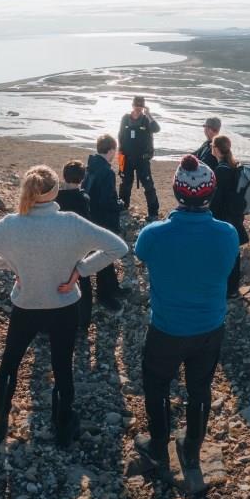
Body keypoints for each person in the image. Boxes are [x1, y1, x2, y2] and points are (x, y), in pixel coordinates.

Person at [0, 165, 129, 447]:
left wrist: (10, 265)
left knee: (10, 363)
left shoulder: (11, 224)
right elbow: (118, 247)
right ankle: (63, 427)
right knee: (62, 367)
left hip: (26, 304)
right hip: (64, 305)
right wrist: (81, 270)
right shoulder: (72, 223)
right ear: (55, 191)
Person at [133, 155, 239, 480]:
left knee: (157, 386)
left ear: (177, 192)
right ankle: (191, 448)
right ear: (211, 194)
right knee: (200, 388)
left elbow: (140, 254)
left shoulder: (153, 234)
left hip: (167, 327)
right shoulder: (227, 233)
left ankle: (158, 445)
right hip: (210, 327)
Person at [82, 134, 127, 312]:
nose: (115, 154)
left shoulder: (90, 166)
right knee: (105, 255)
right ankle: (104, 294)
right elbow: (105, 200)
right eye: (114, 151)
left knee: (104, 255)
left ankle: (113, 287)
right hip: (103, 219)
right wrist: (119, 205)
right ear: (110, 150)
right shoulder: (107, 172)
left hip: (91, 216)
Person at [208, 135, 249, 298]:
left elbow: (217, 199)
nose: (211, 148)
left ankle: (226, 289)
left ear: (217, 150)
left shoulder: (221, 170)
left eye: (212, 146)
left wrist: (208, 214)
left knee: (222, 253)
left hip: (224, 217)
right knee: (233, 252)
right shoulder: (235, 166)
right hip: (235, 217)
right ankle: (233, 288)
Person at [55, 160, 93, 333]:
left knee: (58, 282)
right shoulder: (83, 198)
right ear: (82, 178)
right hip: (78, 248)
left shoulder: (56, 197)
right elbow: (86, 224)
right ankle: (83, 322)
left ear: (64, 176)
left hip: (59, 246)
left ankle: (55, 319)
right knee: (84, 282)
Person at [118, 95, 161, 220]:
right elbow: (120, 136)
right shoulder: (125, 118)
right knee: (125, 184)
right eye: (136, 105)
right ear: (132, 105)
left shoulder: (146, 120)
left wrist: (149, 115)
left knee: (148, 186)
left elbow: (156, 129)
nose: (138, 108)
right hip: (126, 157)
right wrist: (120, 157)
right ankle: (123, 209)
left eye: (140, 106)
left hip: (143, 158)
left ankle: (153, 213)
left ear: (143, 107)